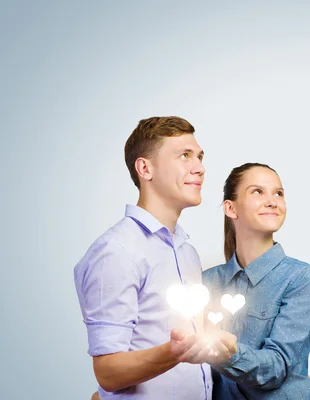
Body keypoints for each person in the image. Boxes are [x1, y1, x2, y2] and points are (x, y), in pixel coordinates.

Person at [74, 116, 235, 400]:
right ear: (145, 168)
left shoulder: (187, 253)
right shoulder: (117, 251)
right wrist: (174, 352)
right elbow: (108, 373)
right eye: (184, 156)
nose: (199, 168)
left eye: (199, 157)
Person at [171, 162, 310, 399]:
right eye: (257, 191)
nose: (272, 200)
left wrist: (229, 354)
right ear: (231, 209)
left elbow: (276, 367)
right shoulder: (206, 282)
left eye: (278, 193)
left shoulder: (300, 277)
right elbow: (184, 360)